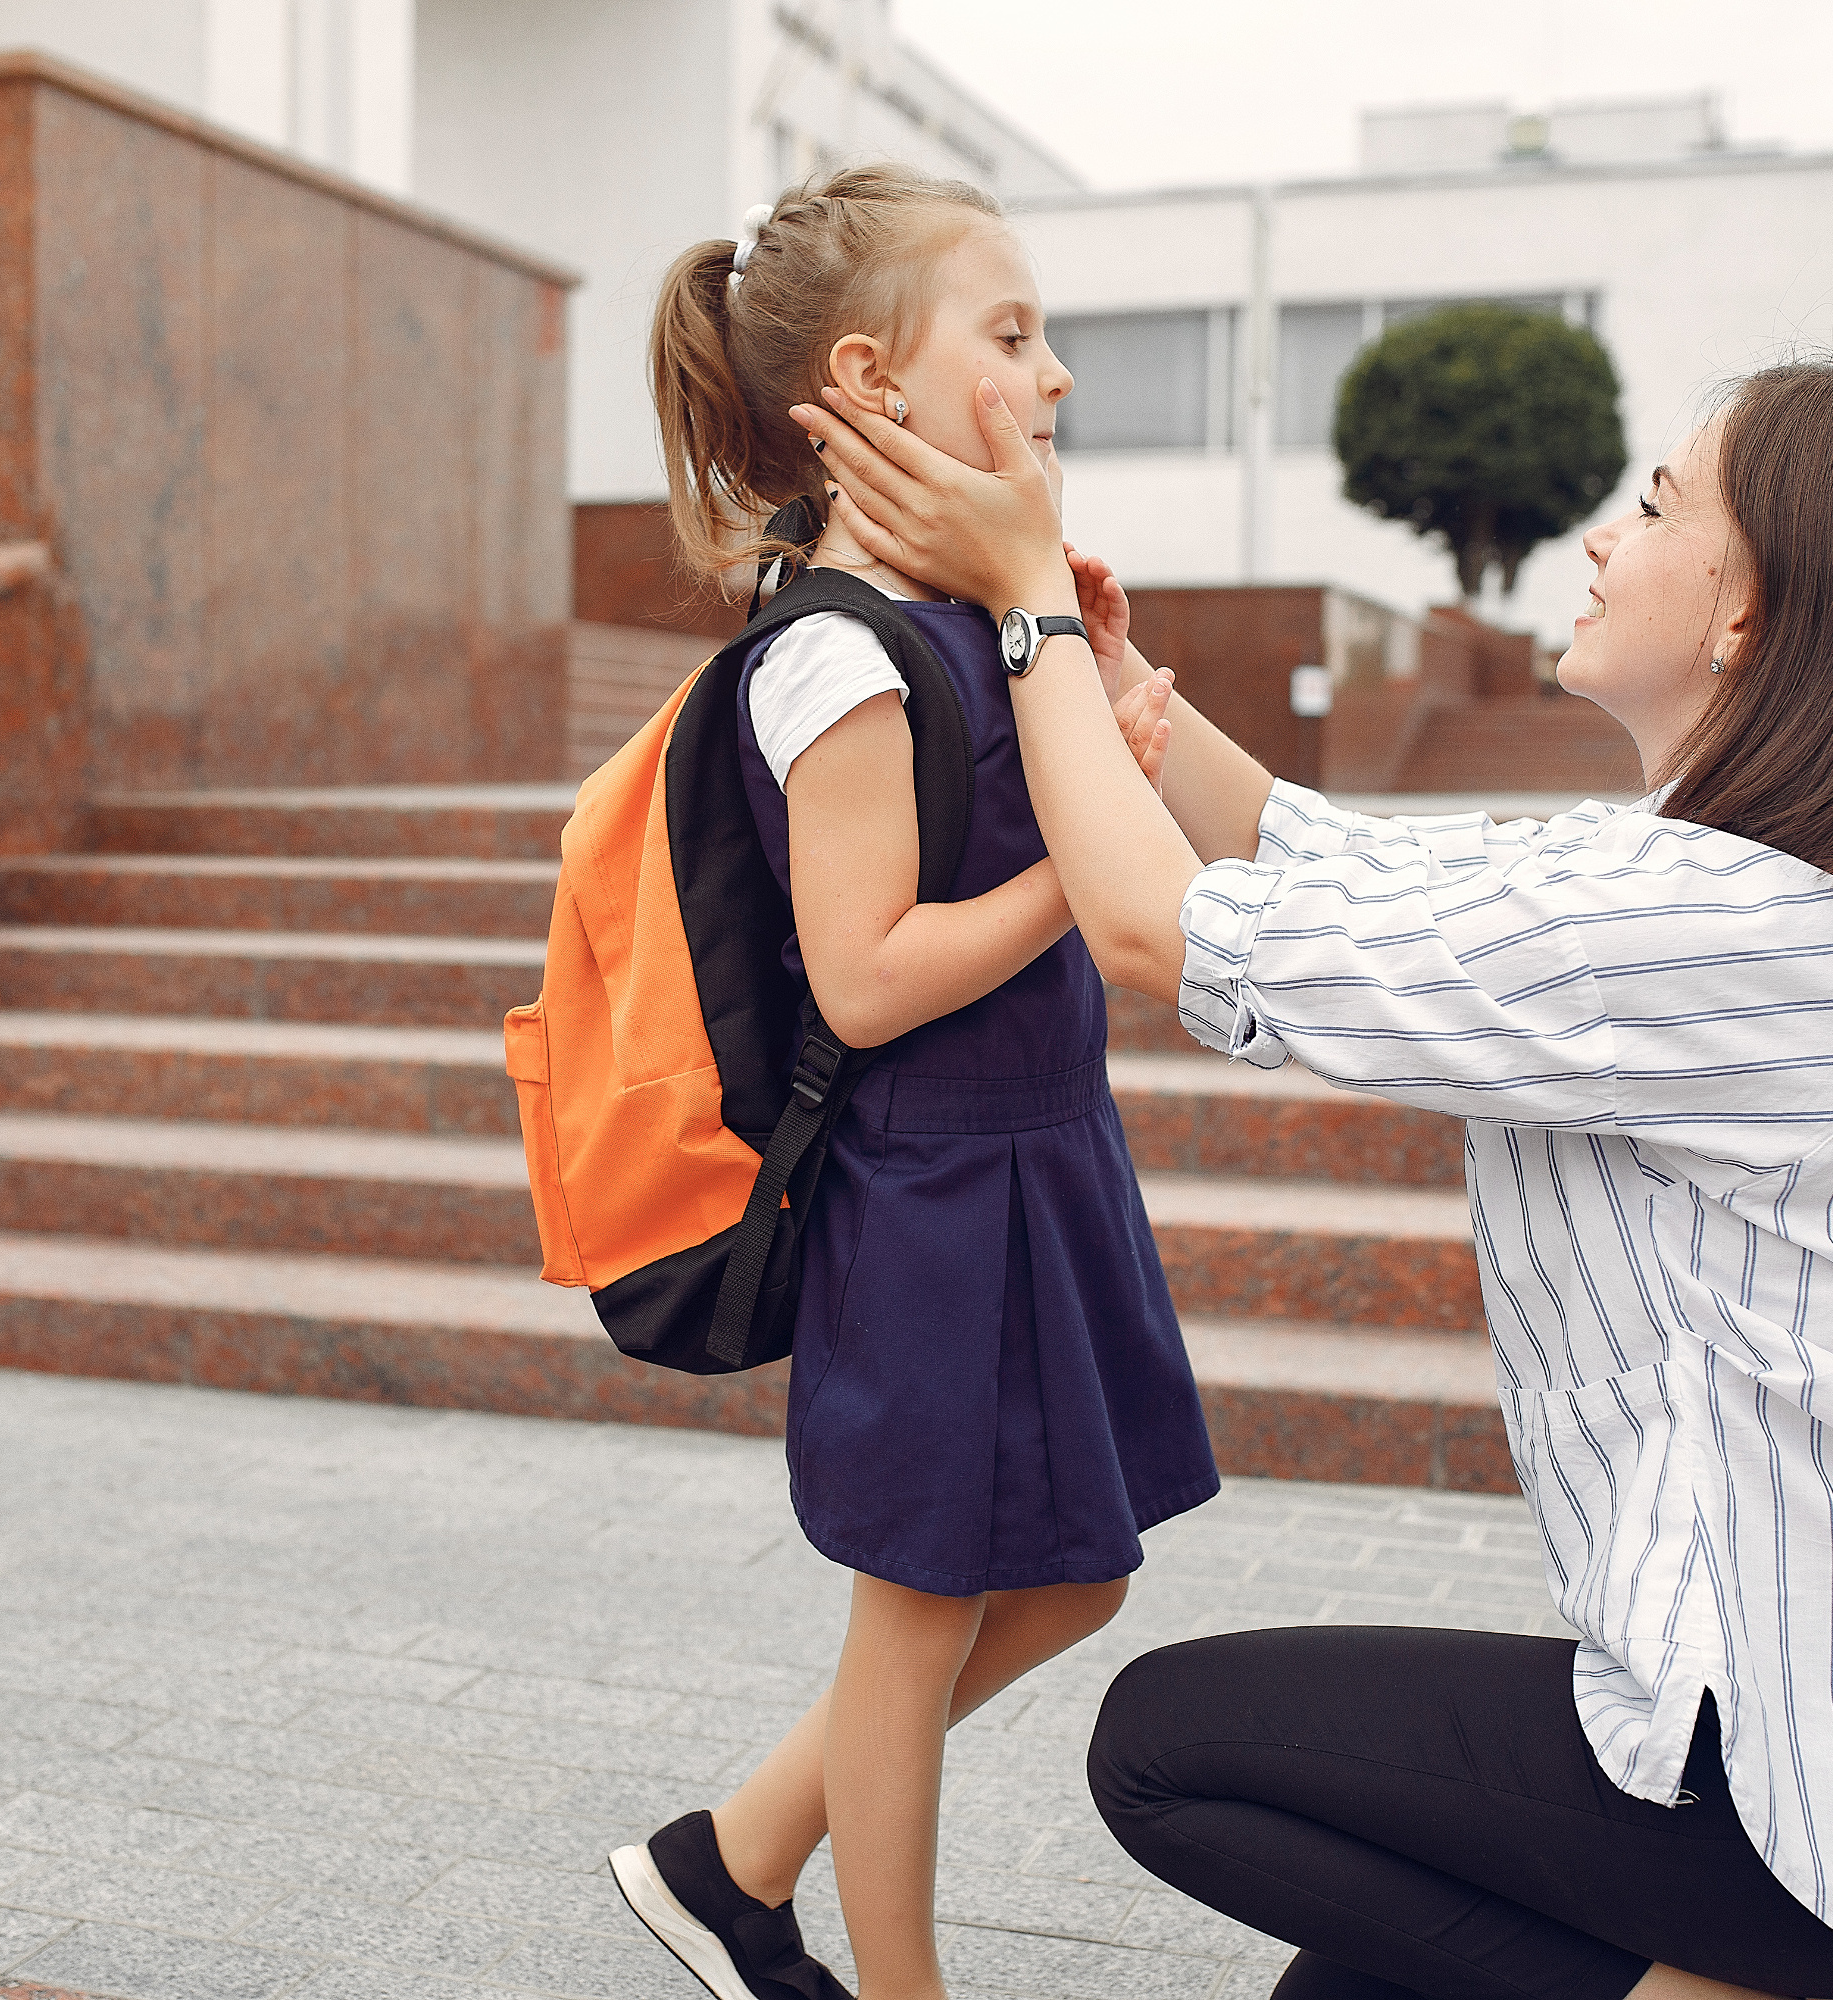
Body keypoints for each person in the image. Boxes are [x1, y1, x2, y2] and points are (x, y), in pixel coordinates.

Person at [787, 357, 1833, 2000]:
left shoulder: (1703, 927)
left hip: (1829, 1778)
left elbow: (1168, 931)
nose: (1603, 537)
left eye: (1655, 505)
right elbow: (1317, 854)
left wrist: (1028, 615)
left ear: (1748, 614)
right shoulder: (1700, 881)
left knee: (1171, 1749)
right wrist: (1111, 662)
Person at [603, 166, 1220, 2000]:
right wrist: (1080, 874)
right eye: (1012, 336)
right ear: (869, 382)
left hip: (1042, 1161)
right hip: (934, 1193)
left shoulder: (976, 610)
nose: (1051, 379)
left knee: (1076, 1576)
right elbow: (865, 984)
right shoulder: (832, 660)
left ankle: (733, 1859)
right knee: (919, 1611)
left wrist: (1092, 691)